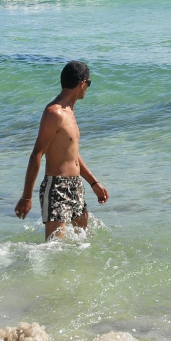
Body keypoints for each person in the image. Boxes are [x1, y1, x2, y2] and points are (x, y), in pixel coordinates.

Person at [14, 61, 109, 240]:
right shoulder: (54, 113)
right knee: (54, 249)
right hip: (57, 186)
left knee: (81, 244)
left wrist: (94, 183)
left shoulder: (70, 112)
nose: (88, 88)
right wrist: (26, 197)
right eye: (89, 84)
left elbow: (72, 154)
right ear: (82, 83)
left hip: (75, 185)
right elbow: (37, 153)